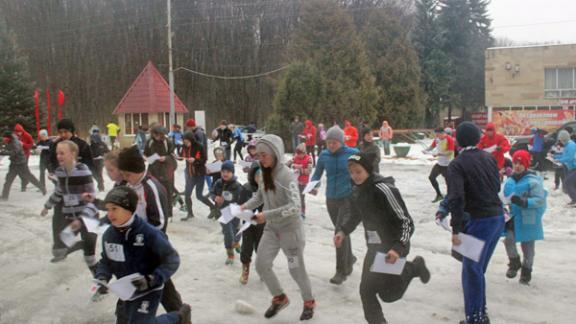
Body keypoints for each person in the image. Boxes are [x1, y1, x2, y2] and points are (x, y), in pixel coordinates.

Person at [334, 152, 430, 324]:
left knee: (389, 294)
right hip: (375, 248)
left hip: (393, 246)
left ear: (368, 171)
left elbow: (407, 222)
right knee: (366, 290)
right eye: (352, 172)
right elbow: (356, 214)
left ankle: (413, 267)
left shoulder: (384, 189)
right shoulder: (357, 190)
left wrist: (398, 248)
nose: (355, 176)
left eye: (358, 172)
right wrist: (343, 231)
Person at [241, 134, 315, 320]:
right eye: (258, 155)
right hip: (272, 231)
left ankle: (309, 302)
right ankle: (279, 297)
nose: (261, 158)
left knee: (295, 269)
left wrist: (266, 215)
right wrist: (243, 207)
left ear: (276, 153)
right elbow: (259, 196)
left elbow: (295, 207)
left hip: (290, 233)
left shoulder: (287, 176)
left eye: (264, 154)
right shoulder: (264, 173)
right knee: (261, 264)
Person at [93, 186, 191, 324]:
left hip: (149, 288)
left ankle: (178, 317)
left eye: (114, 209)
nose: (110, 214)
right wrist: (102, 276)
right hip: (126, 291)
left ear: (129, 209)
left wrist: (152, 279)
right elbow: (106, 260)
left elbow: (172, 259)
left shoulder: (148, 233)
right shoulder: (109, 235)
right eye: (108, 209)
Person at [447, 122, 505, 324]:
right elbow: (497, 185)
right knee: (478, 270)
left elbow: (456, 197)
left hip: (479, 221)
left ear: (459, 140)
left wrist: (455, 229)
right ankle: (480, 314)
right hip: (497, 219)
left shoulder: (457, 164)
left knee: (471, 270)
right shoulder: (488, 157)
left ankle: (475, 319)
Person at [117, 145, 184, 317]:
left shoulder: (152, 187)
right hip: (135, 250)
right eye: (123, 175)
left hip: (153, 250)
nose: (125, 178)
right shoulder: (129, 186)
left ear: (138, 169)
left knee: (166, 292)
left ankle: (181, 316)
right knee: (129, 294)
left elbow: (160, 222)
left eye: (127, 174)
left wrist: (142, 241)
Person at [310, 125, 359, 285]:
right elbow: (317, 174)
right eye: (329, 142)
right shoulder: (324, 155)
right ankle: (349, 258)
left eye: (334, 143)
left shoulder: (353, 153)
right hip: (330, 198)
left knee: (339, 233)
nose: (331, 145)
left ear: (341, 142)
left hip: (347, 198)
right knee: (342, 232)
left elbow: (365, 170)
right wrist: (313, 186)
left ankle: (341, 271)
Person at [40, 140, 98, 270]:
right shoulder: (60, 172)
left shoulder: (83, 172)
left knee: (90, 257)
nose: (58, 156)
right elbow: (59, 192)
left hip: (89, 217)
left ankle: (101, 283)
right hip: (72, 216)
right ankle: (81, 245)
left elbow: (92, 199)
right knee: (63, 239)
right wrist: (47, 206)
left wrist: (81, 219)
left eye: (62, 153)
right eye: (57, 153)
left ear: (73, 154)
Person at [502, 150, 546, 285]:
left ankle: (526, 272)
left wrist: (525, 202)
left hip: (528, 218)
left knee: (528, 249)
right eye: (515, 162)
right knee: (508, 240)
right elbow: (504, 196)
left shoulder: (533, 181)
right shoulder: (509, 180)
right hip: (513, 217)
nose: (517, 166)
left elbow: (540, 200)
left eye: (521, 163)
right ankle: (514, 263)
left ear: (526, 164)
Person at [210, 161, 242, 264]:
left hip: (234, 211)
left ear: (232, 172)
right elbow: (211, 193)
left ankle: (236, 242)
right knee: (228, 233)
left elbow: (240, 199)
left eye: (228, 171)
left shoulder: (237, 185)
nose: (225, 173)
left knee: (236, 229)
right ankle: (230, 253)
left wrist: (230, 198)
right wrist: (215, 197)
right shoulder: (218, 183)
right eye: (223, 171)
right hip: (222, 212)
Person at [238, 162, 265, 285]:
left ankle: (263, 270)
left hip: (263, 225)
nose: (260, 178)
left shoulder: (268, 189)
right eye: (257, 175)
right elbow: (240, 205)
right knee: (246, 248)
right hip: (248, 224)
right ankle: (245, 270)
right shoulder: (246, 188)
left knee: (262, 249)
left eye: (263, 175)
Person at [178, 132, 215, 220]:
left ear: (191, 140)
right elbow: (181, 156)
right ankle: (190, 214)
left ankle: (213, 207)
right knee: (187, 195)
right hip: (190, 175)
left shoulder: (199, 146)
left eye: (187, 142)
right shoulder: (183, 146)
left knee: (199, 196)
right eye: (184, 142)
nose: (185, 143)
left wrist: (195, 160)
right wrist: (178, 157)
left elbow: (204, 159)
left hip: (199, 174)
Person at [144, 125, 178, 220]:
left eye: (161, 135)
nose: (159, 137)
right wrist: (147, 158)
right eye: (157, 135)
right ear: (153, 134)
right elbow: (146, 154)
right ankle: (155, 211)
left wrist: (166, 158)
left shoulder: (167, 142)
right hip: (153, 169)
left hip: (166, 169)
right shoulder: (149, 142)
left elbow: (172, 155)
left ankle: (169, 213)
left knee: (168, 191)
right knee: (153, 191)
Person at [1, 131, 46, 200]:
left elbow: (15, 152)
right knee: (8, 179)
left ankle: (42, 188)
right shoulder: (11, 140)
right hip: (14, 163)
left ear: (8, 138)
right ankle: (4, 196)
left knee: (29, 177)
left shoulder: (15, 142)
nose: (3, 139)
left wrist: (3, 152)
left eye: (4, 138)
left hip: (21, 163)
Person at [423, 127, 455, 202]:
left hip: (448, 164)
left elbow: (450, 152)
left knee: (449, 182)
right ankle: (439, 195)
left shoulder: (449, 139)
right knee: (431, 177)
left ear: (442, 133)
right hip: (440, 163)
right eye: (436, 134)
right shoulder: (437, 139)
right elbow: (432, 146)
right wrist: (426, 150)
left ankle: (450, 197)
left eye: (438, 134)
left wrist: (439, 154)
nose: (437, 136)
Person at [287, 143, 313, 219]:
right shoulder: (295, 157)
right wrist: (293, 165)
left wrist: (300, 169)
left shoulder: (309, 159)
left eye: (300, 154)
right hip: (294, 181)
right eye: (297, 153)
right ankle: (294, 211)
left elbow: (309, 171)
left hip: (303, 181)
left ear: (304, 153)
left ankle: (302, 212)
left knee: (301, 197)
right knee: (293, 196)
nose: (298, 155)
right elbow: (286, 164)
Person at [553, 130, 576, 205]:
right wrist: (555, 157)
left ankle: (575, 200)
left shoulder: (571, 145)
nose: (561, 142)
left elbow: (570, 158)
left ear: (565, 139)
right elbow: (565, 156)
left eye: (561, 140)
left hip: (574, 167)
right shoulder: (567, 145)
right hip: (571, 167)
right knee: (570, 183)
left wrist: (559, 160)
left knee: (568, 182)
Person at [13, 123, 34, 191]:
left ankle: (24, 185)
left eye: (19, 132)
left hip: (25, 155)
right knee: (19, 170)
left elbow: (31, 145)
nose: (18, 133)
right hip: (17, 155)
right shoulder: (14, 136)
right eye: (17, 132)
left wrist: (23, 144)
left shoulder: (28, 135)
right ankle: (25, 181)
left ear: (22, 131)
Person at [89, 128, 110, 192]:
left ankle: (101, 186)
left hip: (99, 160)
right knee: (96, 174)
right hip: (94, 160)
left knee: (98, 173)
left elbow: (107, 151)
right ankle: (100, 182)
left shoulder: (101, 143)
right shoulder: (92, 142)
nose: (96, 133)